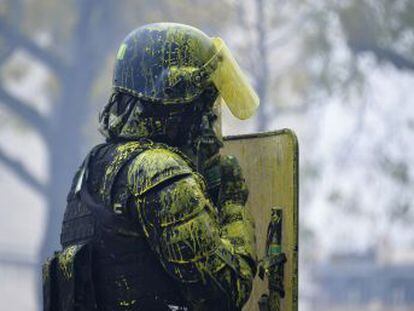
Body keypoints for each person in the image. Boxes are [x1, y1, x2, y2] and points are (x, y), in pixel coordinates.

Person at [43, 22, 260, 311]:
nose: (209, 120)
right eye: (204, 104)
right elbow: (225, 293)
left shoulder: (92, 167)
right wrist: (232, 203)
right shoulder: (160, 171)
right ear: (176, 97)